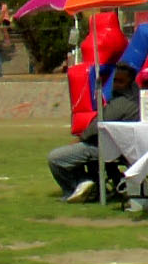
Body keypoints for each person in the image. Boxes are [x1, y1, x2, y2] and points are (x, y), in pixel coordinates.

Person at [47, 62, 137, 202]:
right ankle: (92, 183)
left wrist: (80, 138)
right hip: (122, 147)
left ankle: (76, 187)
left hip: (108, 148)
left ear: (130, 83)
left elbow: (97, 126)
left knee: (55, 158)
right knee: (81, 156)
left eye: (121, 82)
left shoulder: (122, 103)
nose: (116, 85)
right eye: (115, 81)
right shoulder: (136, 98)